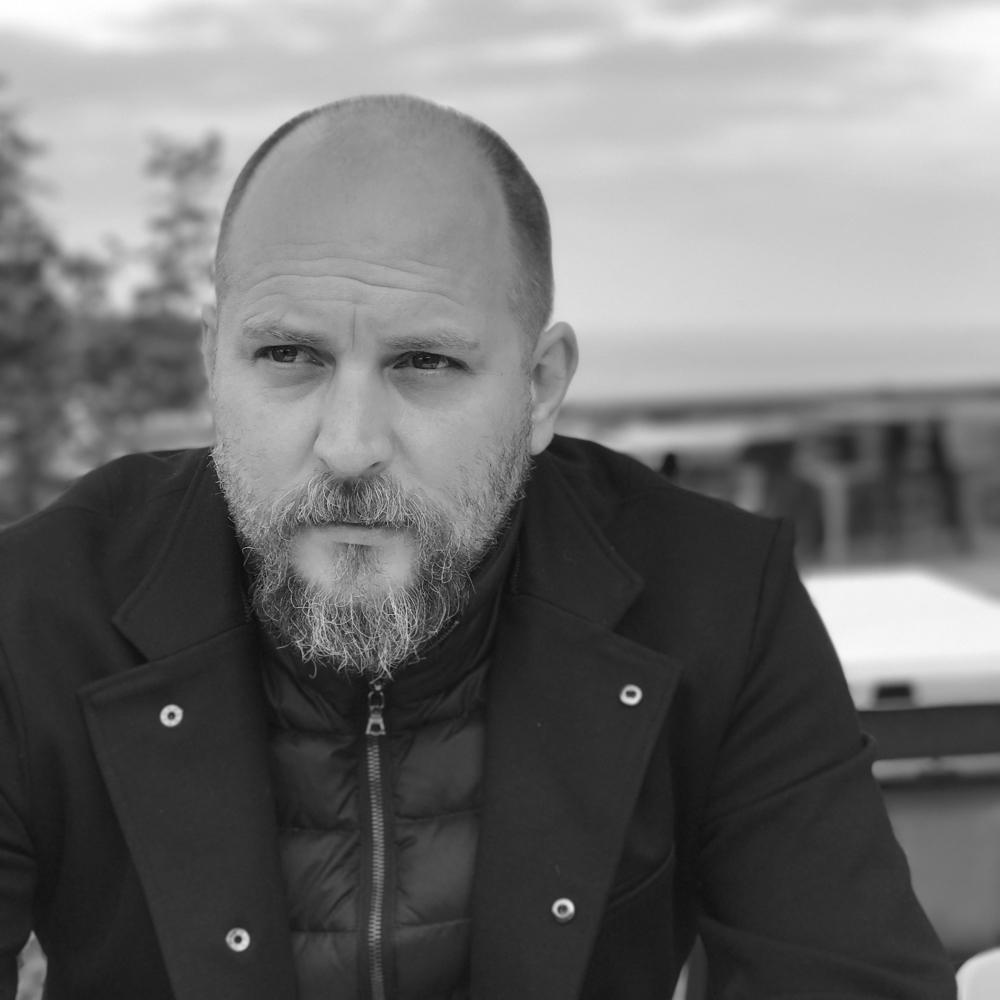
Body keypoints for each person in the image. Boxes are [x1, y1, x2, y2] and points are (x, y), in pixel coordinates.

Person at [0, 95, 955, 1000]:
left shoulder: (711, 596)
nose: (349, 445)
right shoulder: (36, 611)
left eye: (426, 362)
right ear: (214, 364)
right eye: (289, 356)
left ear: (538, 388)